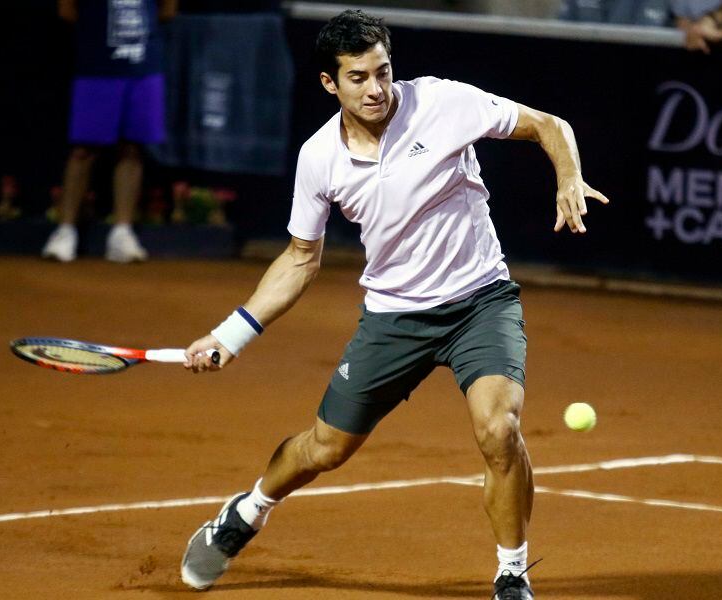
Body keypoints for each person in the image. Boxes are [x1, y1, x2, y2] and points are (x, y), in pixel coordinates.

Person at [179, 9, 609, 600]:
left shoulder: (441, 102)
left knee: (499, 429)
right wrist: (230, 335)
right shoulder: (318, 158)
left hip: (480, 301)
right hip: (394, 317)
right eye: (358, 77)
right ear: (330, 84)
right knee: (325, 449)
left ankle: (512, 574)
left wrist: (568, 177)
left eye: (383, 71)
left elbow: (548, 125)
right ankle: (247, 511)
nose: (378, 89)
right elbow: (301, 260)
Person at [42, 0, 177, 263]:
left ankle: (122, 233)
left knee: (133, 148)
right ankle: (65, 231)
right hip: (97, 66)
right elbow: (67, 10)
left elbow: (168, 10)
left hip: (143, 65)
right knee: (83, 150)